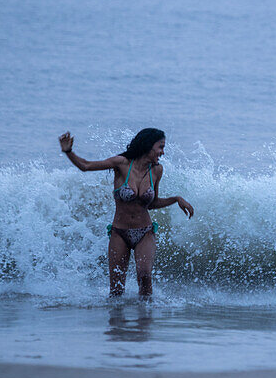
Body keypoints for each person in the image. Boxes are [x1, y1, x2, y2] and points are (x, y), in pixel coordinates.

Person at [59, 128, 194, 298]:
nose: (162, 152)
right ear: (148, 145)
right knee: (116, 288)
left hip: (145, 232)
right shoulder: (121, 164)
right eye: (160, 147)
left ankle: (144, 319)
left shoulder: (156, 171)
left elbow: (151, 204)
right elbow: (86, 166)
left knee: (145, 276)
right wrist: (68, 152)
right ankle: (117, 323)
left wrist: (176, 199)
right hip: (119, 233)